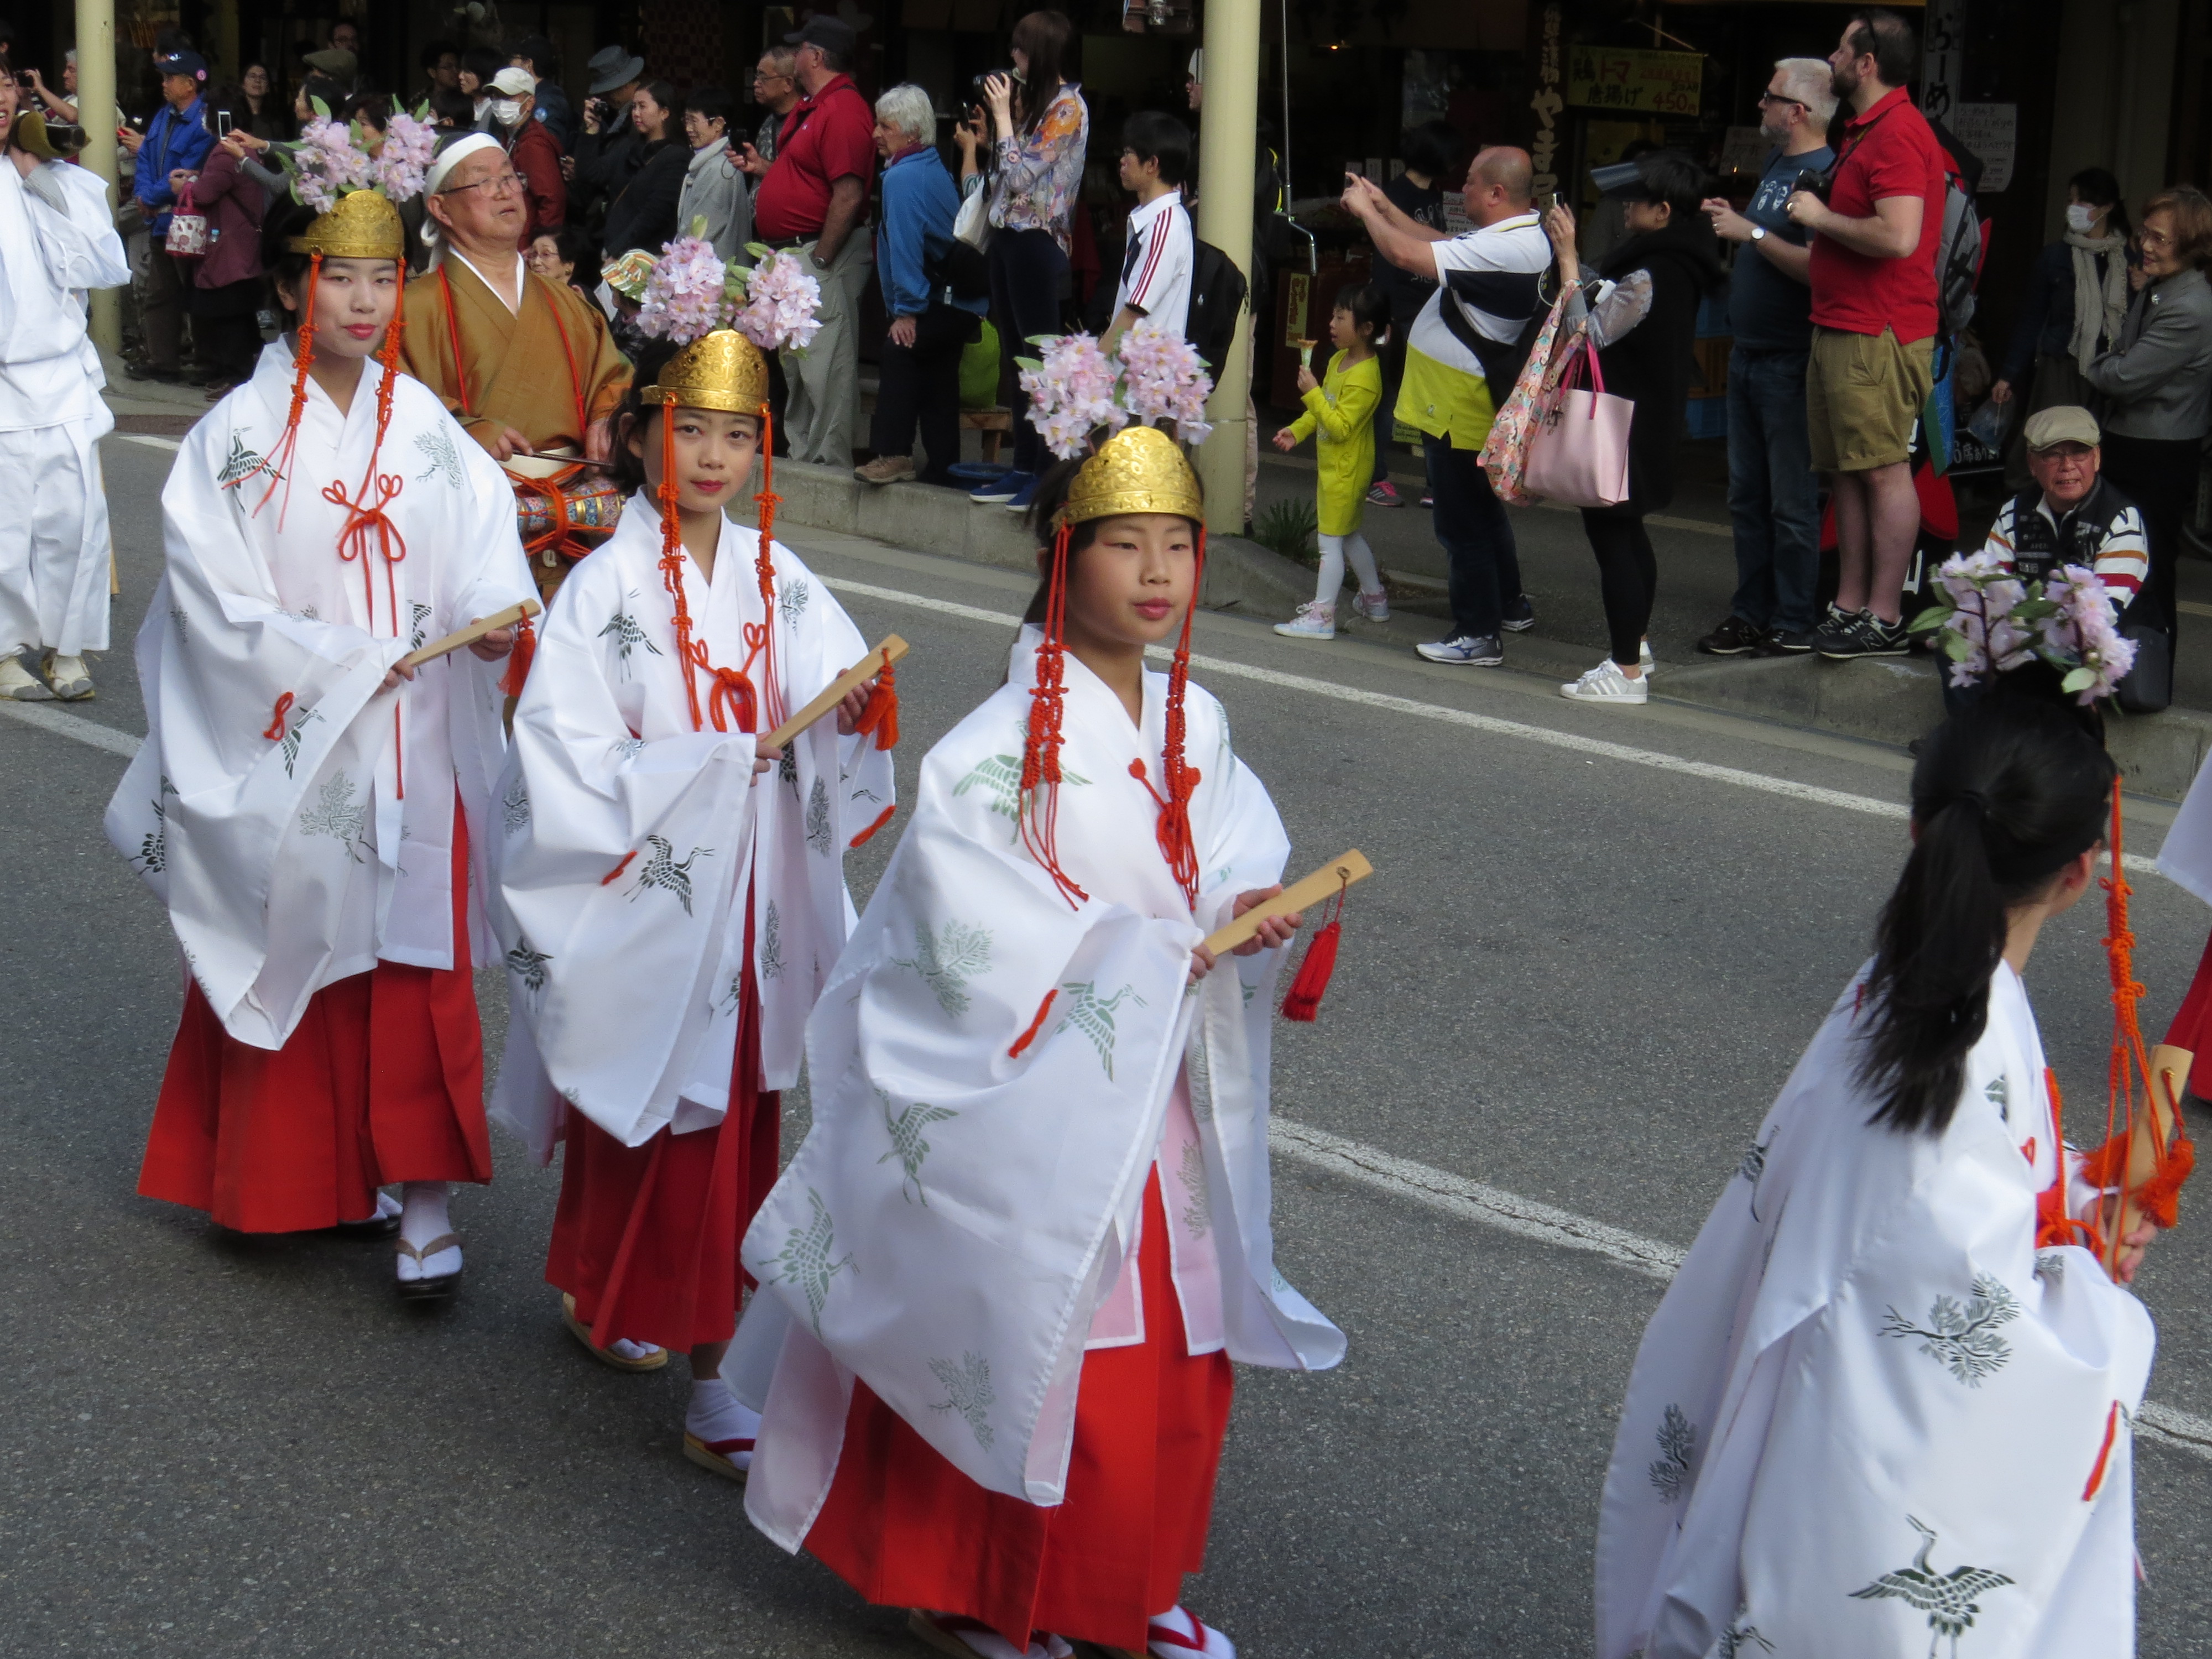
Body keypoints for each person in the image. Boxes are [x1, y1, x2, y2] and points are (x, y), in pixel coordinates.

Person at [731, 403, 1342, 1659]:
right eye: (1128, 544)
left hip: (1148, 1091)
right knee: (1037, 1328)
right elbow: (961, 937)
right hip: (1033, 1103)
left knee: (1172, 1343)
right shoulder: (988, 754)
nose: (1160, 571)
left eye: (1179, 542)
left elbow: (1234, 841)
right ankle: (992, 1588)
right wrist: (1151, 947)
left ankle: (1136, 1582)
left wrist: (1236, 903)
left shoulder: (1197, 721)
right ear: (1065, 556)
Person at [1596, 688, 2156, 1659]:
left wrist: (2072, 1201)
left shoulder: (1923, 980)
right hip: (1851, 1453)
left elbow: (1976, 1190)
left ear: (1917, 827)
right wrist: (2098, 1294)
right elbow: (1977, 1350)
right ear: (2080, 874)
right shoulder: (1962, 1022)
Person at [105, 145, 536, 1298]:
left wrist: (494, 624)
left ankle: (425, 1205)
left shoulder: (430, 429)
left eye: (383, 280)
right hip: (309, 740)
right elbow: (210, 604)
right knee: (304, 942)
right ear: (298, 282)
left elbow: (487, 551)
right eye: (339, 277)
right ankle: (298, 1177)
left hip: (421, 734)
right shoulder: (238, 439)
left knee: (419, 969)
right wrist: (338, 664)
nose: (361, 301)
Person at [489, 293, 895, 1472]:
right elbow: (564, 761)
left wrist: (852, 711)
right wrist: (712, 765)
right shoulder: (601, 591)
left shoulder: (780, 576)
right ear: (642, 434)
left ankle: (712, 1363)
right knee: (642, 1109)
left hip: (755, 901)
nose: (714, 456)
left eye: (736, 435)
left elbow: (831, 698)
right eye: (691, 429)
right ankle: (619, 1295)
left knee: (726, 1126)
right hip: (652, 897)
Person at [1340, 147, 1549, 668]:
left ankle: (1477, 632)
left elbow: (1410, 257)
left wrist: (1366, 215)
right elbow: (1443, 245)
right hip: (1460, 395)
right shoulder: (1515, 237)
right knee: (1481, 509)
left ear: (1498, 193)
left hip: (1460, 399)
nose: (1463, 190)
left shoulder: (1511, 249)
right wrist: (1385, 208)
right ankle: (1508, 605)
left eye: (1472, 182)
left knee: (1461, 522)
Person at [400, 133, 632, 600]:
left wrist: (608, 417)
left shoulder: (570, 305)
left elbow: (613, 378)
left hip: (575, 523)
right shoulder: (412, 308)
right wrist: (462, 429)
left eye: (510, 178)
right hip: (470, 526)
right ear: (442, 210)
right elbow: (389, 398)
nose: (506, 190)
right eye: (485, 183)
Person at [1783, 8, 1946, 661]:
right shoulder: (1866, 128)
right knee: (1846, 474)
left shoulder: (1899, 132)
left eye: (1841, 49)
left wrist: (1821, 217)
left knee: (1881, 471)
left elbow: (1900, 236)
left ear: (1867, 63)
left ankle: (1882, 613)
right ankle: (1849, 605)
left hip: (1877, 329)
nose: (1833, 58)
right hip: (1842, 324)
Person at [1542, 154, 1724, 706]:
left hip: (1620, 423)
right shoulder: (1682, 264)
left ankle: (1624, 672)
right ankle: (1636, 647)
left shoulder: (1652, 270)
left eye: (1635, 202)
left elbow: (1585, 333)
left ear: (1663, 211)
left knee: (1613, 535)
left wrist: (1568, 258)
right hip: (1646, 418)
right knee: (1629, 532)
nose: (1625, 210)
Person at [1696, 58, 1837, 659]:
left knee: (1791, 502)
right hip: (1750, 355)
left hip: (1789, 359)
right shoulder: (1779, 164)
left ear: (1797, 111)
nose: (1760, 106)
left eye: (1769, 96)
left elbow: (1818, 269)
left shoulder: (1825, 173)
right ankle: (1750, 612)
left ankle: (1794, 619)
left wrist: (1748, 232)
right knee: (1746, 497)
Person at [0, 74, 129, 703]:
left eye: (1, 87)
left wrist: (37, 177)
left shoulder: (62, 180)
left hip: (61, 377)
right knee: (4, 526)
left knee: (75, 520)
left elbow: (101, 266)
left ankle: (68, 648)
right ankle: (3, 651)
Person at [2081, 185, 2212, 696]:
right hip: (2132, 444)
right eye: (2145, 234)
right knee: (2115, 565)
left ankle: (2148, 687)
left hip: (2158, 454)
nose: (2145, 246)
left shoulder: (2191, 307)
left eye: (2159, 239)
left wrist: (2101, 363)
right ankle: (2111, 678)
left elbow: (2121, 375)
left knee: (2150, 571)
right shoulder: (2163, 289)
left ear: (2192, 245)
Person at [1936, 405, 2147, 717]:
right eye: (2052, 455)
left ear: (2097, 459)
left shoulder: (2121, 518)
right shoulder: (2014, 512)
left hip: (2092, 645)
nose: (2067, 466)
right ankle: (1971, 736)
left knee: (2051, 661)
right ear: (2032, 464)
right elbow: (1988, 588)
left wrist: (2027, 636)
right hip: (2026, 634)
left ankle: (2012, 745)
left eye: (2079, 453)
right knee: (1956, 638)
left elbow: (2105, 617)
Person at [966, 9, 1087, 512]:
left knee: (1039, 362)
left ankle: (1045, 471)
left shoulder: (1067, 107)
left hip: (1039, 243)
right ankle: (1021, 468)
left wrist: (1002, 119)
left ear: (1040, 54)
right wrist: (1006, 119)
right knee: (1017, 361)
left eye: (1020, 49)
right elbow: (1003, 173)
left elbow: (1021, 179)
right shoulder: (1035, 105)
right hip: (1008, 237)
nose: (1012, 58)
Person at [748, 14, 875, 471]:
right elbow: (810, 177)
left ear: (816, 57)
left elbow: (849, 192)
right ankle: (803, 455)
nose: (793, 55)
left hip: (818, 253)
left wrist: (821, 257)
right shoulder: (817, 106)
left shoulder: (842, 109)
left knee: (826, 364)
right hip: (794, 254)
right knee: (799, 365)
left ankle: (827, 461)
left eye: (799, 48)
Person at [860, 82, 985, 487]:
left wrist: (906, 312)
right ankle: (945, 469)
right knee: (937, 377)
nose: (877, 134)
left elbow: (907, 246)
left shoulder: (902, 177)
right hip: (965, 299)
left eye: (886, 126)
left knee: (901, 349)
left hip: (942, 297)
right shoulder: (930, 164)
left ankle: (894, 453)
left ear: (912, 133)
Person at [1272, 283, 1389, 640]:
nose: (1332, 324)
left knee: (1329, 542)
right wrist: (1297, 429)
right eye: (1333, 316)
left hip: (1346, 472)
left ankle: (1322, 615)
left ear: (1366, 329)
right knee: (1349, 536)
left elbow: (1338, 427)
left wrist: (1311, 395)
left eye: (1341, 317)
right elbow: (1323, 411)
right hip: (1338, 469)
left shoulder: (1366, 378)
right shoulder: (1339, 360)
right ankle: (1375, 600)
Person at [1365, 122, 1459, 509]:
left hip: (1428, 310)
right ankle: (1377, 478)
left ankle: (1435, 484)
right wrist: (1385, 314)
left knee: (1429, 397)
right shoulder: (1394, 195)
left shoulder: (1432, 194)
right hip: (1397, 312)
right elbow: (1387, 257)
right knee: (1386, 398)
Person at [1991, 169, 2131, 421]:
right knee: (2054, 439)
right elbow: (2031, 318)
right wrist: (2008, 375)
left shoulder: (2129, 260)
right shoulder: (2054, 257)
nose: (2073, 207)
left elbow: (2150, 311)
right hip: (2062, 364)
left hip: (2113, 368)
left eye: (2082, 201)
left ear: (2107, 207)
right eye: (2071, 200)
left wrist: (2147, 290)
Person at [123, 48, 213, 383]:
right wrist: (144, 193)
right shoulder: (164, 115)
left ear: (190, 84)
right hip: (161, 222)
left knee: (195, 291)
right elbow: (146, 155)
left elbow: (187, 171)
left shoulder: (203, 121)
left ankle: (206, 362)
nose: (164, 83)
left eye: (170, 78)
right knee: (159, 292)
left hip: (188, 222)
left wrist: (150, 194)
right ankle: (163, 361)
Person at [186, 98, 268, 398]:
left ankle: (237, 378)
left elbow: (206, 193)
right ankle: (243, 374)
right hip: (244, 241)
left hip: (229, 245)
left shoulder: (225, 152)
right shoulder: (246, 149)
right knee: (241, 313)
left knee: (228, 314)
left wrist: (185, 186)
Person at [1104, 110, 1194, 348]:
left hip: (1143, 377)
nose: (1122, 160)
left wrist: (1088, 366)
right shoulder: (1155, 219)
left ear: (1152, 164)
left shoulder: (1165, 226)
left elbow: (1134, 312)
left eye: (1128, 153)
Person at [599, 81, 687, 260]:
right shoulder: (629, 147)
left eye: (642, 107)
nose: (636, 113)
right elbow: (593, 175)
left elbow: (654, 214)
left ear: (664, 112)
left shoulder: (677, 156)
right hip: (616, 247)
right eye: (634, 107)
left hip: (647, 257)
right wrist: (589, 132)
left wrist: (618, 250)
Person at [487, 66, 565, 247]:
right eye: (496, 96)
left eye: (508, 97)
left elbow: (552, 200)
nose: (499, 103)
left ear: (530, 103)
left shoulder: (534, 145)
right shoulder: (511, 135)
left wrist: (540, 246)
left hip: (527, 244)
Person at [678, 85, 750, 264]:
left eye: (694, 121)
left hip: (712, 275)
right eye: (686, 121)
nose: (688, 129)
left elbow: (698, 234)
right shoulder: (716, 163)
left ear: (718, 124)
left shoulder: (720, 170)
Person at [570, 45, 646, 213]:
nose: (606, 97)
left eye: (611, 90)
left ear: (627, 83)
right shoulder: (619, 116)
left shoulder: (638, 123)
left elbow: (595, 174)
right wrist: (591, 129)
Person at [507, 35, 571, 152]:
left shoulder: (547, 101)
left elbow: (547, 147)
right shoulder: (538, 96)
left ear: (528, 64)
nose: (510, 64)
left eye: (514, 58)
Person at [749, 47, 800, 170]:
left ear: (788, 84)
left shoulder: (807, 124)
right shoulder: (768, 122)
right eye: (757, 76)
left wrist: (761, 167)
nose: (756, 83)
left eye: (764, 78)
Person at [526, 223, 590, 298]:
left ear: (569, 265)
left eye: (546, 254)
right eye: (534, 254)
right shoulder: (530, 296)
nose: (536, 262)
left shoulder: (581, 296)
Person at [458, 46, 504, 128]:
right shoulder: (463, 106)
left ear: (483, 73)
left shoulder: (497, 110)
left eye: (467, 72)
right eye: (461, 70)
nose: (461, 76)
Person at [418, 41, 460, 107]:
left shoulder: (466, 97)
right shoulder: (420, 102)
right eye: (448, 67)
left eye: (458, 66)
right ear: (432, 72)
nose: (456, 71)